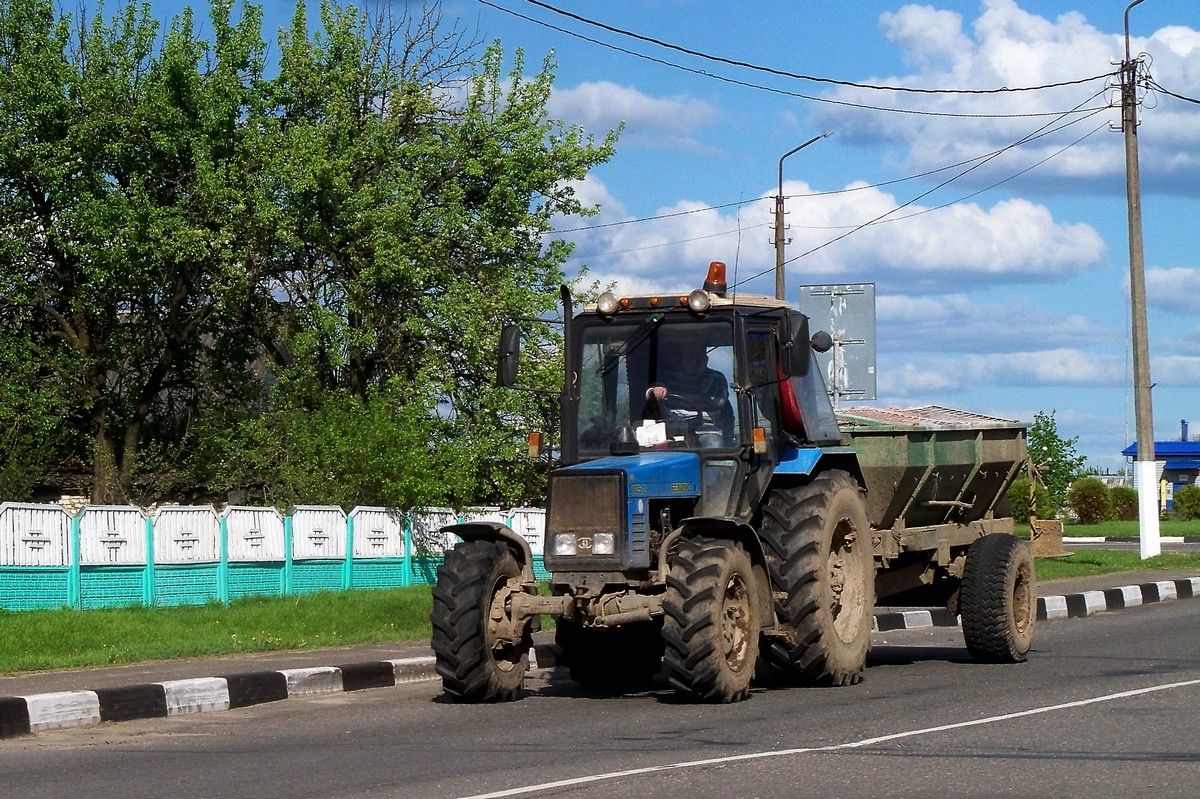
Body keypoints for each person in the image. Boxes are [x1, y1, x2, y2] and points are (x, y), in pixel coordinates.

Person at [644, 339, 735, 446]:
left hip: (707, 432)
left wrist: (701, 375)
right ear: (682, 358)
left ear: (705, 358)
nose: (694, 360)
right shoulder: (669, 377)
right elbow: (651, 393)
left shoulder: (716, 378)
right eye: (690, 356)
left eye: (698, 356)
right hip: (675, 431)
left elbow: (718, 401)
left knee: (714, 444)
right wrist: (657, 391)